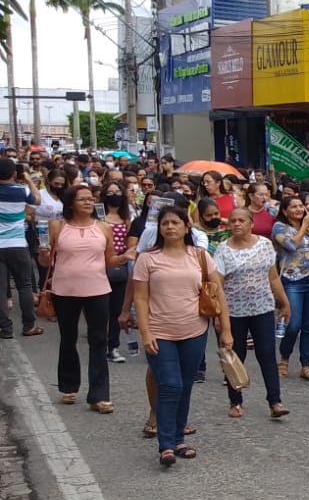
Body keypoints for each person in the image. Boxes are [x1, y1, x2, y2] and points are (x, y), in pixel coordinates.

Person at [133, 207, 233, 467]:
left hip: (194, 331)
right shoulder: (147, 259)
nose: (169, 227)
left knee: (185, 384)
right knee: (170, 385)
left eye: (175, 222)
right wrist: (145, 333)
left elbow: (217, 293)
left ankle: (179, 439)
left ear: (186, 227)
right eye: (165, 223)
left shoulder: (199, 256)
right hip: (160, 331)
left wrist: (226, 329)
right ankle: (165, 445)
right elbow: (140, 298)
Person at [42, 185, 115, 412]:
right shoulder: (57, 226)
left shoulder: (103, 228)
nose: (88, 203)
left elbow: (110, 260)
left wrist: (127, 257)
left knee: (99, 340)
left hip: (98, 289)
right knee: (68, 338)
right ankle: (68, 386)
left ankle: (99, 395)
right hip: (64, 290)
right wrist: (43, 255)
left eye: (91, 199)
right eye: (82, 199)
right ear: (70, 203)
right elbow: (46, 262)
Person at [213, 207, 290, 419]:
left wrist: (284, 302)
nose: (237, 224)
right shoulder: (223, 250)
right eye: (233, 220)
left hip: (262, 308)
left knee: (266, 354)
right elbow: (217, 285)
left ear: (251, 223)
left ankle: (275, 401)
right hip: (234, 311)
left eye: (241, 220)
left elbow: (273, 277)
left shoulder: (264, 245)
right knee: (235, 356)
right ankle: (235, 401)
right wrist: (220, 316)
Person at [272, 196, 309, 382]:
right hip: (292, 279)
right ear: (285, 210)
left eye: (301, 206)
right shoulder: (280, 228)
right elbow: (290, 246)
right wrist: (305, 226)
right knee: (293, 323)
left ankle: (306, 365)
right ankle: (284, 358)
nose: (299, 209)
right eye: (294, 206)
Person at [0, 157, 42, 338]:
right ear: (14, 173)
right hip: (17, 244)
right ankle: (28, 326)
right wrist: (29, 179)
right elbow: (37, 200)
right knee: (25, 286)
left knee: (0, 289)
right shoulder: (22, 191)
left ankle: (5, 328)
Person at [100, 179, 134, 362]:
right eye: (110, 193)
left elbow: (130, 243)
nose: (115, 196)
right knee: (100, 308)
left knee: (115, 309)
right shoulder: (98, 216)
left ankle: (113, 346)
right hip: (98, 265)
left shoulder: (126, 219)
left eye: (118, 192)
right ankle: (99, 343)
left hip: (120, 265)